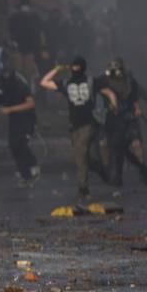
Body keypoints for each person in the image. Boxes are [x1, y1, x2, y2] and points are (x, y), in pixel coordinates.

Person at [96, 57, 147, 188]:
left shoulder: (131, 83)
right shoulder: (103, 81)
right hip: (111, 120)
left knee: (136, 145)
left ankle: (141, 168)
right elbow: (91, 89)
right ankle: (108, 172)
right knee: (106, 145)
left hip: (128, 119)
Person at [40, 57, 99, 202]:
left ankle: (83, 188)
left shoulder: (91, 81)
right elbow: (43, 82)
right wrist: (56, 69)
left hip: (88, 123)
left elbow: (107, 89)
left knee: (80, 152)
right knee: (80, 156)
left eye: (77, 66)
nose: (75, 68)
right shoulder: (66, 83)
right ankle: (97, 169)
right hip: (74, 126)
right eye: (74, 66)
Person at [0, 64, 41, 187]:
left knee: (20, 144)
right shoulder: (4, 83)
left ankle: (31, 169)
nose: (6, 77)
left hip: (26, 119)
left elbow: (30, 104)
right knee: (13, 145)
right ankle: (25, 173)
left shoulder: (20, 84)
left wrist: (10, 109)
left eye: (8, 75)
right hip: (15, 120)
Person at [8, 0, 45, 90]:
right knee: (18, 71)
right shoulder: (14, 18)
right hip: (17, 48)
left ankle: (29, 90)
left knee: (29, 72)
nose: (25, 8)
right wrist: (12, 41)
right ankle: (17, 89)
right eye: (23, 6)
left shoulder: (35, 18)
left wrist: (39, 46)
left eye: (27, 6)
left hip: (30, 49)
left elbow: (39, 33)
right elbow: (10, 32)